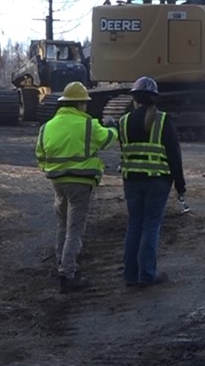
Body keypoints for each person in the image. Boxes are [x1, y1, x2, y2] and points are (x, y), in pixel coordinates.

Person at [36, 81, 117, 293]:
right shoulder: (88, 124)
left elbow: (40, 155)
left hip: (57, 183)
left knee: (62, 225)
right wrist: (113, 127)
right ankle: (68, 274)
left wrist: (53, 169)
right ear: (80, 104)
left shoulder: (48, 126)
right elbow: (107, 140)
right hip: (80, 184)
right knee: (75, 229)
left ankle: (60, 263)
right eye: (85, 104)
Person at [117, 76, 186, 288]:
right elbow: (174, 154)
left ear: (135, 99)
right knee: (150, 227)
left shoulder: (124, 121)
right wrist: (180, 185)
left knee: (134, 225)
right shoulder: (162, 120)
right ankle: (147, 275)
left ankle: (130, 276)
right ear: (154, 98)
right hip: (157, 181)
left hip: (132, 181)